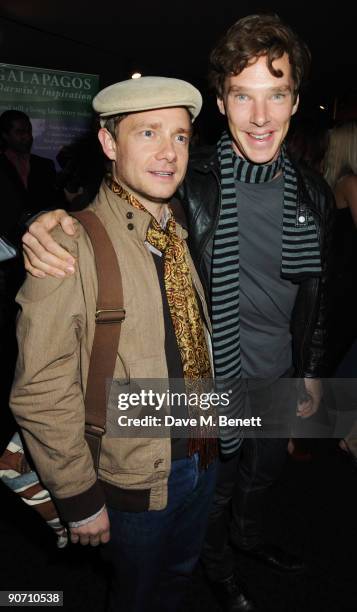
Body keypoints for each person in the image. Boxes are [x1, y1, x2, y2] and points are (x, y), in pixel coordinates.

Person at [19, 14, 334, 612]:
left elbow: (320, 291)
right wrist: (34, 224)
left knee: (257, 482)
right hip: (199, 394)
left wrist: (312, 369)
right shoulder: (192, 179)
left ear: (295, 102)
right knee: (197, 503)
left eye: (277, 95)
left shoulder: (315, 193)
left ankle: (246, 542)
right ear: (221, 102)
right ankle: (221, 570)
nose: (261, 117)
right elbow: (109, 206)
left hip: (277, 375)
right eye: (243, 96)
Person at [10, 76, 218, 612]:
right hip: (132, 479)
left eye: (180, 136)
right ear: (108, 144)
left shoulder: (175, 226)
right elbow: (40, 389)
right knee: (137, 594)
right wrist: (78, 499)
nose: (168, 153)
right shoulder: (67, 243)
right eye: (147, 132)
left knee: (177, 581)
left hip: (200, 454)